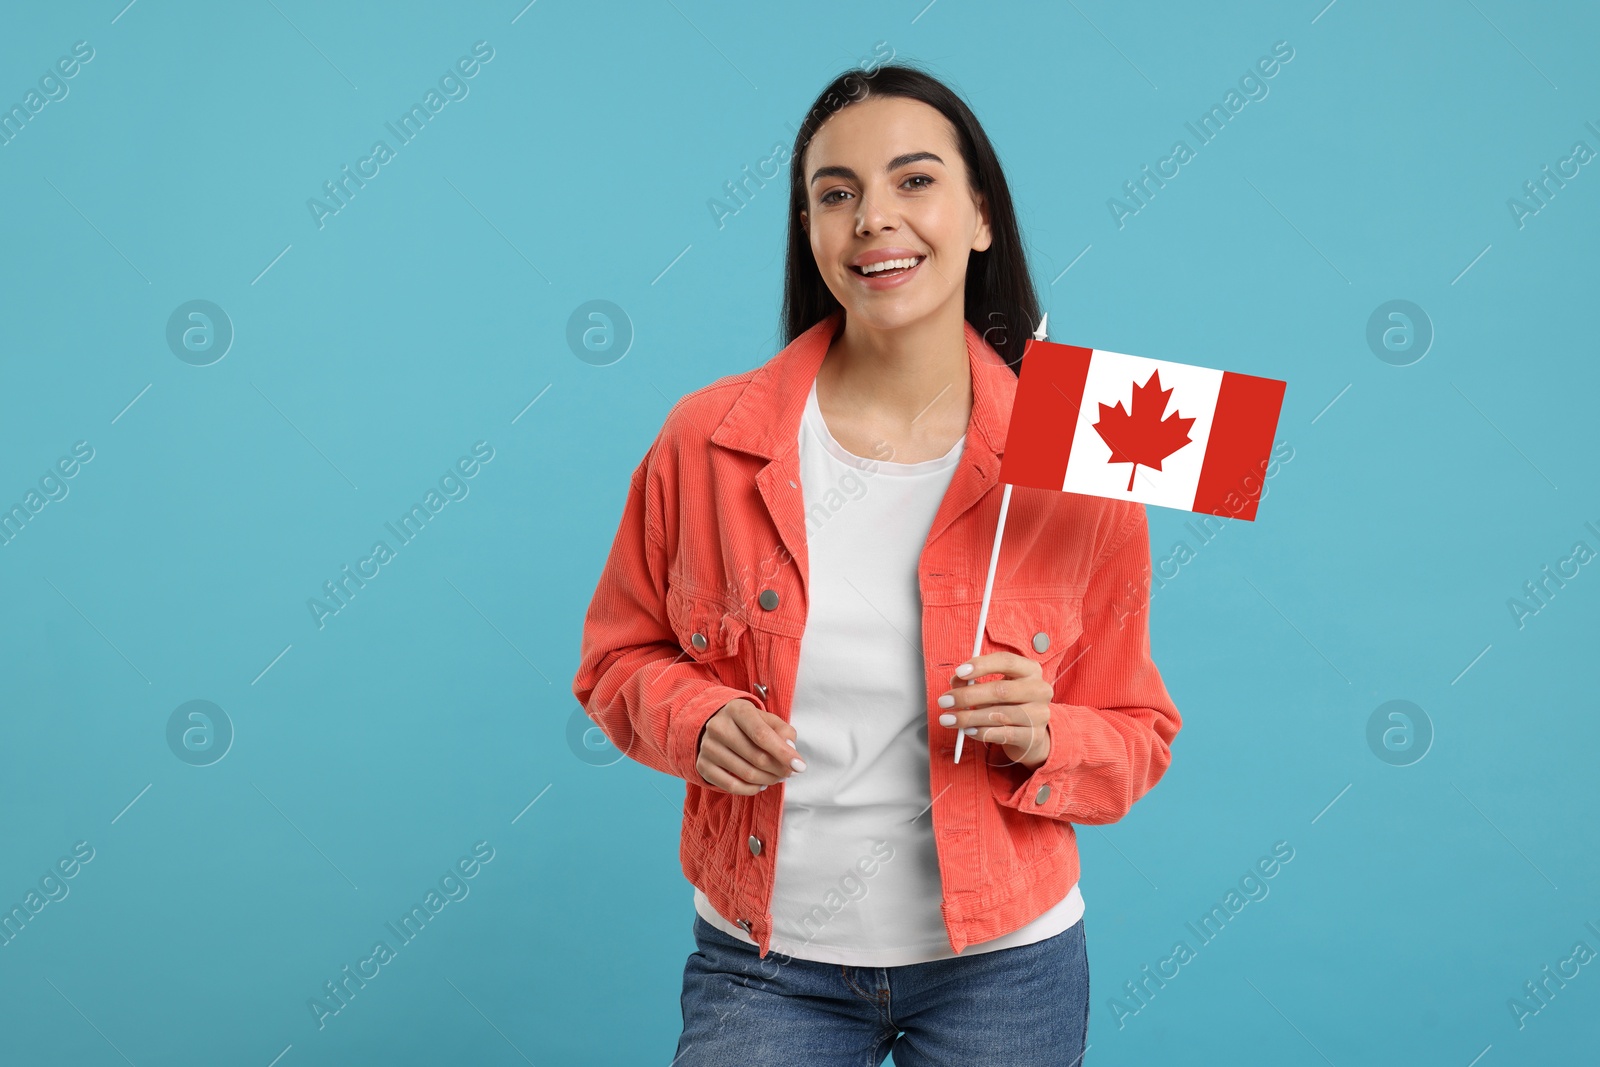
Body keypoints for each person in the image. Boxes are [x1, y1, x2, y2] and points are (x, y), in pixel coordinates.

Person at [571, 62, 1182, 1066]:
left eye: (914, 181)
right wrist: (696, 716)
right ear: (809, 230)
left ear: (980, 215)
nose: (871, 219)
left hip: (1006, 964)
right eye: (836, 193)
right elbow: (614, 661)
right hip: (765, 960)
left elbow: (1138, 734)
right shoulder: (705, 440)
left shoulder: (1081, 462)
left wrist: (1045, 732)